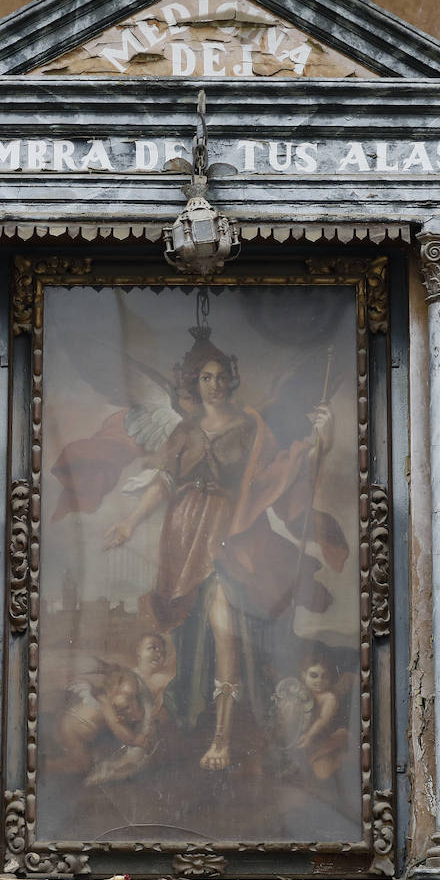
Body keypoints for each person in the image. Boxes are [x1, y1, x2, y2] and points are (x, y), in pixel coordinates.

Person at [104, 328, 342, 771]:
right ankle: (196, 717)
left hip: (229, 531)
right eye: (205, 377)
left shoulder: (251, 424)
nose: (213, 384)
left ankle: (223, 737)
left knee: (225, 626)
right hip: (184, 530)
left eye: (219, 376)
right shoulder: (185, 430)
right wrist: (129, 522)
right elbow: (165, 482)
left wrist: (319, 447)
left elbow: (275, 475)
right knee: (197, 629)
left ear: (230, 379)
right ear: (194, 382)